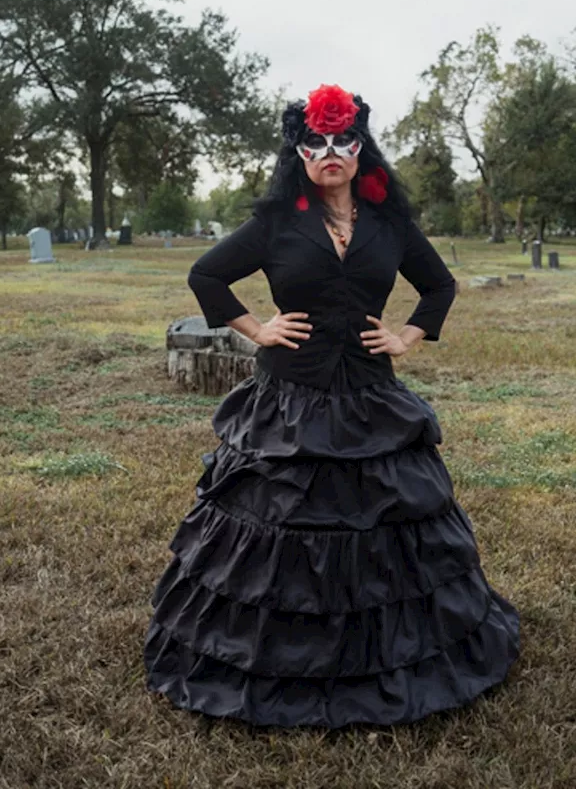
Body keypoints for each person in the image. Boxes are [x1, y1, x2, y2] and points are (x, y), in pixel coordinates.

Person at [142, 84, 521, 728]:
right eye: (315, 143)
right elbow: (206, 274)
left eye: (343, 140)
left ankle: (383, 655)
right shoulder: (276, 224)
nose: (330, 153)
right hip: (290, 403)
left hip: (371, 400)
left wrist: (407, 335)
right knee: (280, 530)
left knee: (384, 531)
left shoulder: (389, 225)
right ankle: (284, 654)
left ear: (360, 147)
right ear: (299, 152)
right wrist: (257, 328)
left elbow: (439, 284)